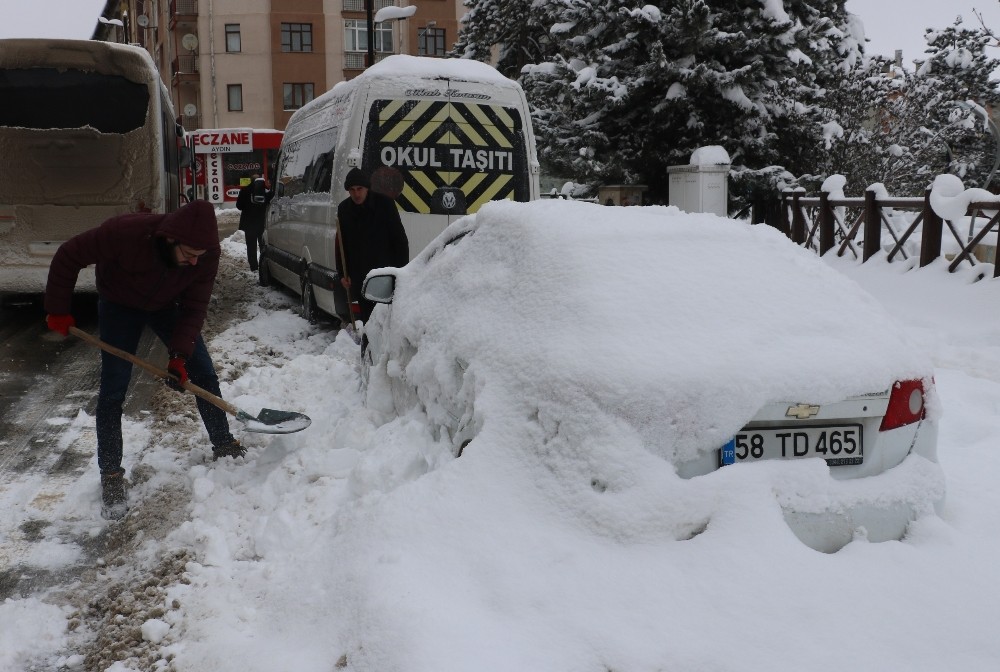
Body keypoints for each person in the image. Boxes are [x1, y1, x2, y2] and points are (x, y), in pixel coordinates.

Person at [44, 200, 244, 520]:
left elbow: (194, 307)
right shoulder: (125, 233)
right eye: (189, 254)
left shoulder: (205, 254)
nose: (194, 262)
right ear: (171, 239)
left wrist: (179, 356)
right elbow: (69, 255)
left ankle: (224, 444)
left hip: (167, 305)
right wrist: (57, 309)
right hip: (118, 304)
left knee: (203, 372)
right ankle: (111, 475)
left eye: (199, 256)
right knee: (114, 389)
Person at [335, 167, 409, 324]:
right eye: (352, 190)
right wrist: (342, 273)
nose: (356, 194)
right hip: (360, 276)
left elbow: (400, 241)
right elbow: (341, 244)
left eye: (359, 189)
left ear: (367, 188)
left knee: (386, 320)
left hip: (384, 275)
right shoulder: (344, 209)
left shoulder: (385, 205)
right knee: (368, 320)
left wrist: (401, 273)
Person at [236, 173, 273, 272]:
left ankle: (254, 267)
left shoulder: (245, 190)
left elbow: (239, 206)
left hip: (249, 224)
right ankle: (264, 265)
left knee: (251, 246)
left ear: (251, 180)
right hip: (262, 223)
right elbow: (271, 202)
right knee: (263, 245)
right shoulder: (265, 191)